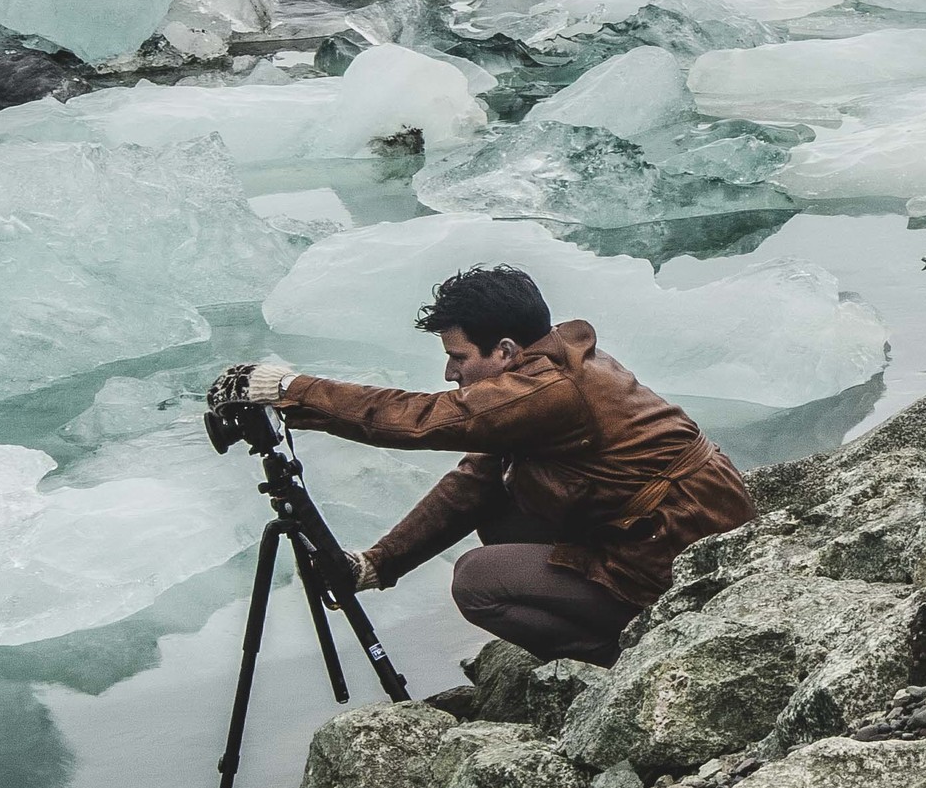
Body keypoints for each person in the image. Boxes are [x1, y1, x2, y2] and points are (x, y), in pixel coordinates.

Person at [237, 263, 755, 666]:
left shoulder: (552, 391)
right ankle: (605, 623)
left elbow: (421, 420)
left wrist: (290, 391)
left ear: (505, 351)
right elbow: (472, 483)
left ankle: (626, 659)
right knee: (495, 502)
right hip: (670, 529)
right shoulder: (550, 368)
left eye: (459, 358)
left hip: (681, 557)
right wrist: (378, 563)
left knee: (478, 581)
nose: (449, 371)